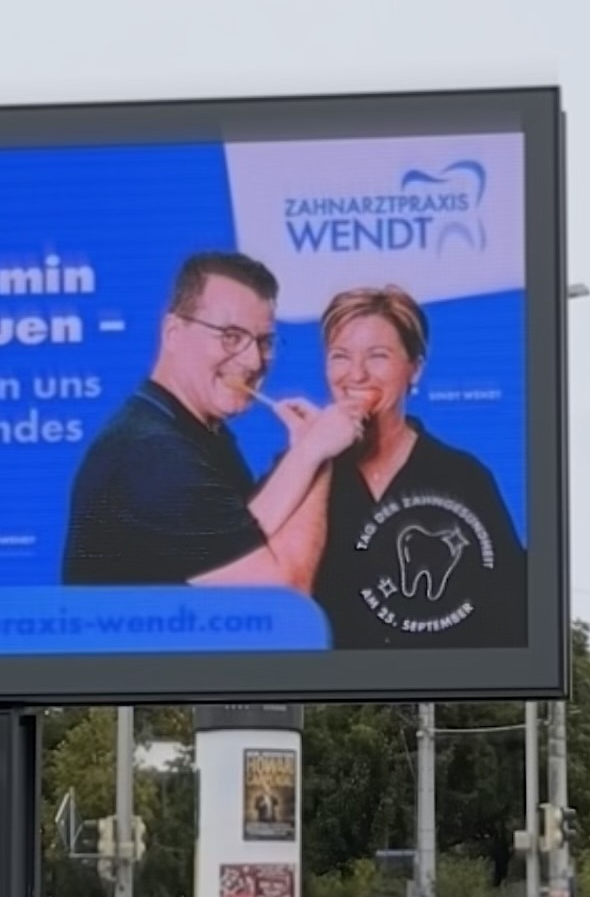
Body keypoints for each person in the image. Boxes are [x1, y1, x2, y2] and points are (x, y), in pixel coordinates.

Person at [61, 251, 363, 589]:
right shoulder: (151, 456)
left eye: (264, 342)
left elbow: (238, 533)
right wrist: (314, 454)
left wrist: (305, 452)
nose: (253, 361)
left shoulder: (195, 433)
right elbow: (282, 600)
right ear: (173, 333)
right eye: (231, 336)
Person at [295, 285, 528, 648]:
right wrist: (307, 457)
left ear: (414, 369)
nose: (356, 374)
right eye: (340, 356)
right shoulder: (296, 471)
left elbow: (512, 615)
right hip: (325, 685)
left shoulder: (463, 478)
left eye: (377, 356)